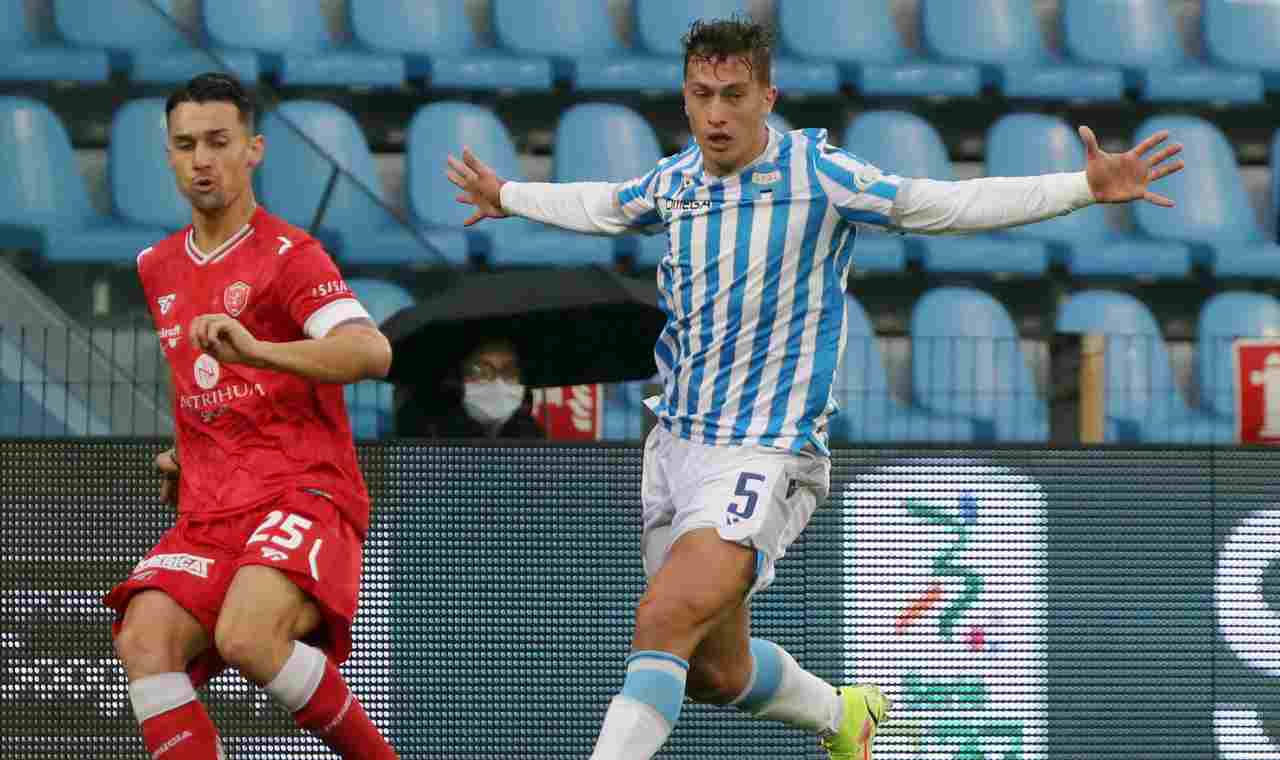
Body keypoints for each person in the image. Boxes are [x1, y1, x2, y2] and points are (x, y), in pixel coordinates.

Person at [447, 15, 1185, 760]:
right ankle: (844, 716)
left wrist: (1082, 188)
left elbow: (945, 204)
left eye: (734, 94)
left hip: (766, 452)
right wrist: (507, 194)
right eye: (701, 94)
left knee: (663, 618)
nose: (716, 113)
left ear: (768, 95)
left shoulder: (820, 176)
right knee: (712, 670)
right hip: (674, 447)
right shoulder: (675, 184)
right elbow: (601, 205)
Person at [103, 72, 398, 759]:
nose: (201, 159)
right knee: (143, 636)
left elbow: (370, 350)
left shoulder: (292, 257)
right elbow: (194, 381)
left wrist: (260, 350)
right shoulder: (157, 265)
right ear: (169, 156)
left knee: (247, 634)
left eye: (218, 141)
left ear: (253, 150)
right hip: (212, 509)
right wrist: (187, 451)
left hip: (304, 490)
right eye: (185, 145)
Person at [395, 337, 545, 439]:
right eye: (481, 371)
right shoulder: (429, 435)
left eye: (509, 371)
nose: (498, 382)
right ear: (459, 377)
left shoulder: (533, 438)